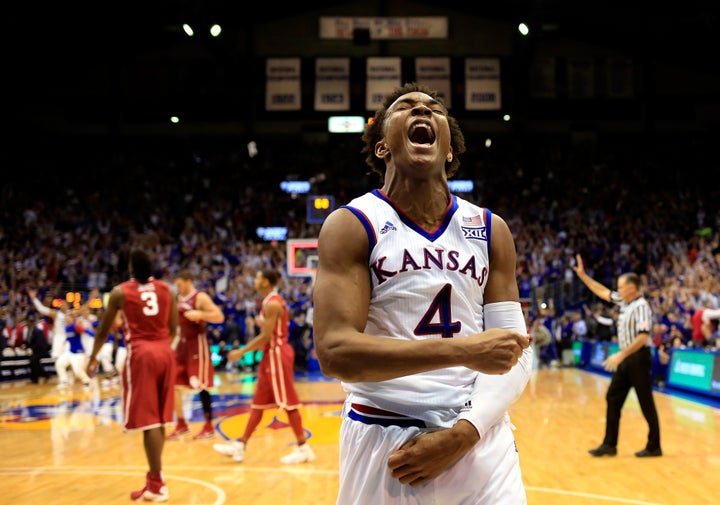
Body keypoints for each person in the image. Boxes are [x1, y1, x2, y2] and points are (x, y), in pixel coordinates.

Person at [311, 82, 533, 504]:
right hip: (386, 436)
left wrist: (462, 434)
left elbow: (514, 350)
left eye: (434, 109)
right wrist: (462, 350)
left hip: (479, 433)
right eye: (405, 108)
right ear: (382, 147)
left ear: (449, 149)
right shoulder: (353, 223)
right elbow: (336, 353)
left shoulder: (490, 229)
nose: (423, 111)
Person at [86, 248, 178, 502]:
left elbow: (103, 331)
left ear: (130, 268)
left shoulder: (119, 292)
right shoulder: (167, 289)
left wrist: (93, 358)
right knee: (159, 420)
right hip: (165, 352)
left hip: (142, 353)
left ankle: (157, 484)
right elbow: (173, 328)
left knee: (149, 422)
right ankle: (154, 482)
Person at [213, 269, 315, 464]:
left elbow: (267, 336)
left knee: (288, 402)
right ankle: (241, 445)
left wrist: (241, 352)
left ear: (267, 282)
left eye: (259, 277)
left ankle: (304, 447)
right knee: (258, 405)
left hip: (277, 354)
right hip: (270, 356)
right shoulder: (268, 302)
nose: (256, 280)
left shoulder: (274, 303)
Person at [572, 253, 662, 458]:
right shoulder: (624, 301)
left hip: (638, 357)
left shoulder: (641, 306)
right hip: (626, 358)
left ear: (632, 288)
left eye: (621, 287)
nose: (618, 290)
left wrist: (621, 355)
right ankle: (609, 445)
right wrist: (583, 276)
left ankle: (654, 446)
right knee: (612, 397)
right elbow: (602, 291)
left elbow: (643, 337)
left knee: (645, 402)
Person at [167, 269, 225, 440]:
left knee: (202, 386)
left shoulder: (200, 297)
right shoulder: (178, 299)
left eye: (179, 284)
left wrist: (200, 314)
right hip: (181, 345)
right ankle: (182, 424)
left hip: (197, 345)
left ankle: (209, 427)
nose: (178, 288)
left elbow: (219, 316)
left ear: (188, 281)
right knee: (174, 385)